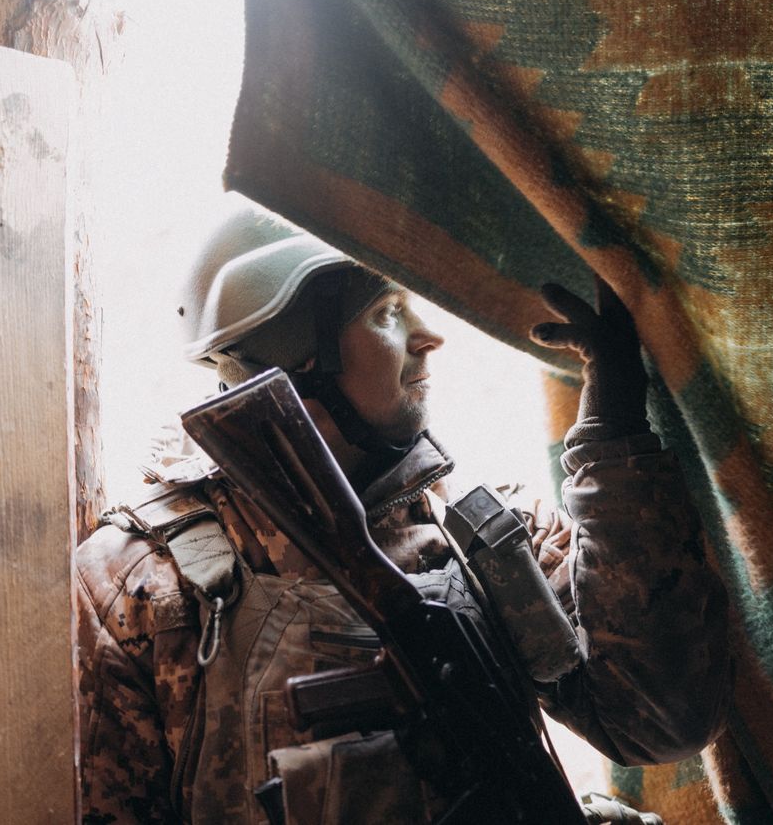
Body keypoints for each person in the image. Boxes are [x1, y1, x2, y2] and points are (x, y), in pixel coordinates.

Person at [76, 197, 731, 824]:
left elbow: (656, 715)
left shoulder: (482, 532)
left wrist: (612, 431)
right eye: (387, 309)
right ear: (299, 354)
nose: (429, 336)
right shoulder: (137, 583)